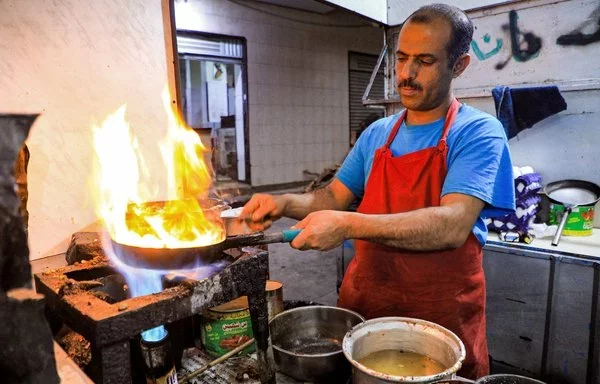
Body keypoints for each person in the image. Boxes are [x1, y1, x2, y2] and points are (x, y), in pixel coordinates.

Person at [241, 4, 515, 379]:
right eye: (402, 58)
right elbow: (330, 199)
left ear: (459, 66)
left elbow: (452, 225)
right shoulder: (377, 134)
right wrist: (284, 202)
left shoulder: (478, 132)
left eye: (425, 61)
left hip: (438, 321)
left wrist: (349, 225)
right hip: (367, 310)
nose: (407, 73)